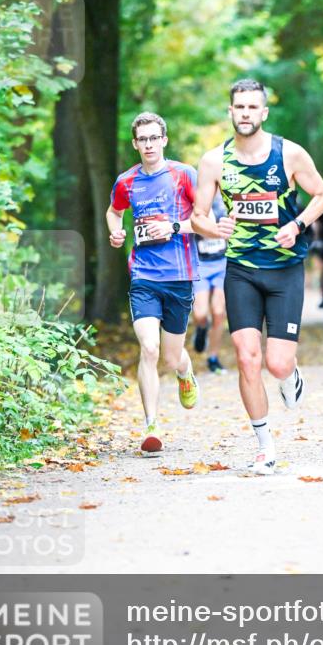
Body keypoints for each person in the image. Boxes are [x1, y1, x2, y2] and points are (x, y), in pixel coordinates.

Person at [192, 78, 323, 475]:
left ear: (264, 112)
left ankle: (290, 375)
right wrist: (211, 229)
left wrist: (299, 225)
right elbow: (198, 215)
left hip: (285, 269)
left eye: (254, 108)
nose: (246, 114)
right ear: (230, 112)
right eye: (240, 107)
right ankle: (264, 445)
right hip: (240, 270)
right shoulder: (213, 161)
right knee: (247, 358)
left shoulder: (289, 154)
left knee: (277, 363)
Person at [106, 111, 206, 455]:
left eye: (154, 138)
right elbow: (114, 211)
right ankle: (151, 426)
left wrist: (175, 227)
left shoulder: (183, 175)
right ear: (135, 144)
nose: (148, 144)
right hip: (144, 276)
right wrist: (115, 231)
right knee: (148, 348)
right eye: (142, 139)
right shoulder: (127, 181)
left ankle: (184, 370)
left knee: (169, 357)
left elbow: (207, 221)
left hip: (179, 277)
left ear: (164, 139)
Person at [192, 193, 228, 374]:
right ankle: (201, 327)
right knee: (200, 314)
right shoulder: (196, 203)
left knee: (219, 312)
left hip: (222, 263)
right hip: (201, 265)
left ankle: (213, 358)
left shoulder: (226, 203)